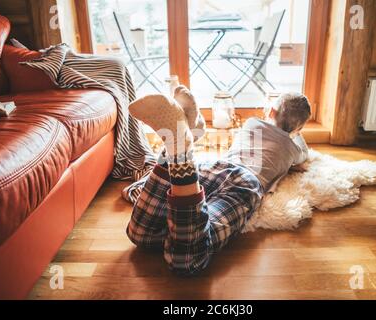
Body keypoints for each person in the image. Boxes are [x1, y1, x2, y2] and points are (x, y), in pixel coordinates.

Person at [126, 86, 311, 274]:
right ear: (298, 128)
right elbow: (304, 154)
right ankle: (179, 144)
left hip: (214, 166)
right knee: (187, 259)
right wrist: (296, 132)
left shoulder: (252, 123)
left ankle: (183, 138)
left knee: (141, 234)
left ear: (271, 111)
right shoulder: (293, 149)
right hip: (246, 182)